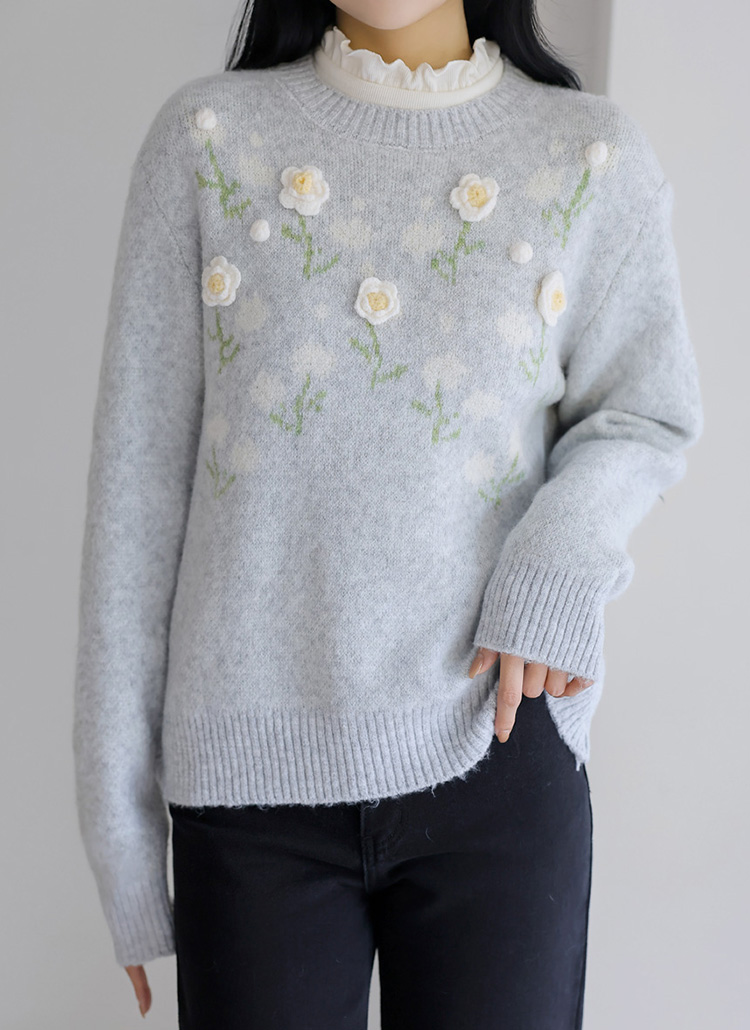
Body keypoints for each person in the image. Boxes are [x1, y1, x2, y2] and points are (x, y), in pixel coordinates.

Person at [71, 0, 704, 1026]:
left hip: (496, 754)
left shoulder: (590, 157)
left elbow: (645, 412)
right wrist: (123, 836)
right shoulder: (206, 143)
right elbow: (135, 500)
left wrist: (555, 560)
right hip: (250, 784)